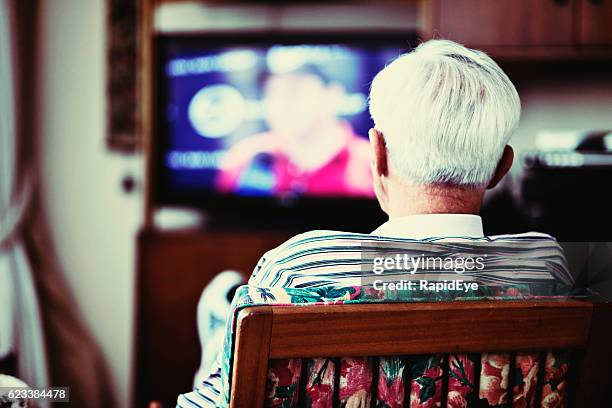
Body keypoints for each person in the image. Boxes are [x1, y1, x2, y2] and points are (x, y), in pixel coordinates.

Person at [178, 39, 559, 407]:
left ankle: (221, 324)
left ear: (376, 154)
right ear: (500, 167)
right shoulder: (547, 267)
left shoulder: (300, 265)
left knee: (227, 321)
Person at [215, 65, 373, 197]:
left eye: (294, 90)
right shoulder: (243, 159)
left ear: (332, 95)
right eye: (271, 92)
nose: (280, 104)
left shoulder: (373, 165)